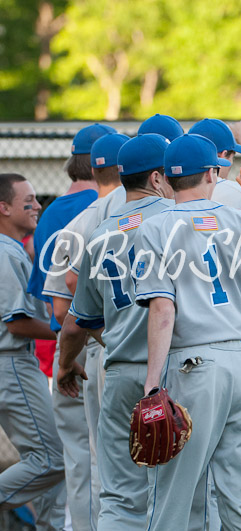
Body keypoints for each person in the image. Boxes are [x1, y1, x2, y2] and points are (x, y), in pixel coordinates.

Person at [133, 133, 241, 529]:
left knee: (174, 499)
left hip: (192, 365)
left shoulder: (155, 228)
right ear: (213, 172)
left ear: (165, 180)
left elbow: (162, 308)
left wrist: (152, 385)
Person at [57, 134, 175, 529]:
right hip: (174, 371)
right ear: (159, 178)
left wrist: (65, 363)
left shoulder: (101, 233)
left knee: (121, 495)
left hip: (121, 369)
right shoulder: (178, 217)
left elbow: (76, 322)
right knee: (179, 493)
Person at [28, 122, 113, 530]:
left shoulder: (51, 214)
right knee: (116, 460)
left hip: (69, 348)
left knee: (80, 459)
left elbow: (56, 307)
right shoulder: (124, 208)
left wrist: (69, 350)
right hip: (107, 347)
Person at [44, 131, 129, 529]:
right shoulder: (150, 212)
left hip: (97, 348)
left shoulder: (72, 222)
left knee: (96, 464)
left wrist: (73, 354)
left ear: (92, 168)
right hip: (157, 348)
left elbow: (62, 308)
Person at [0, 173, 65, 530]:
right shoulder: (5, 251)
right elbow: (17, 323)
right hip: (11, 361)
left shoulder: (11, 249)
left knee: (50, 460)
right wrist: (69, 330)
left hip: (13, 362)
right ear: (3, 208)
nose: (37, 205)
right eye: (28, 201)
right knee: (51, 460)